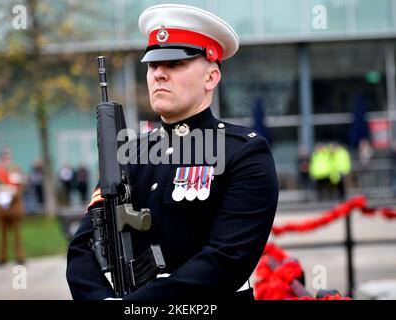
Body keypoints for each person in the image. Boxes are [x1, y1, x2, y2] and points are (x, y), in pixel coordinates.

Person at [66, 4, 279, 300]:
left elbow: (227, 259)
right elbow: (83, 247)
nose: (158, 75)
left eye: (175, 64)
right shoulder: (130, 153)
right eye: (153, 65)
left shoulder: (243, 152)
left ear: (211, 78)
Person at [0, 146, 26, 265]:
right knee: (2, 235)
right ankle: (2, 257)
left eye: (7, 156)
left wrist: (11, 195)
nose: (5, 158)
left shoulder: (16, 169)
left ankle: (19, 257)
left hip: (14, 207)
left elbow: (19, 188)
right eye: (3, 156)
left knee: (17, 235)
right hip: (2, 209)